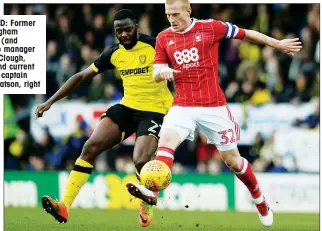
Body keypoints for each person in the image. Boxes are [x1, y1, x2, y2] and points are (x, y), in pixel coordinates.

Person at [127, 0, 302, 228]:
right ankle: (151, 196)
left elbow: (245, 33)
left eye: (176, 14)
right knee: (166, 143)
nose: (172, 19)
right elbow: (157, 70)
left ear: (189, 11)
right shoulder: (163, 38)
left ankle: (260, 201)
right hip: (183, 105)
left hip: (213, 106)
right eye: (168, 15)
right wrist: (164, 73)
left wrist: (276, 43)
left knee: (233, 162)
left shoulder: (211, 28)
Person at [35, 9, 173, 227]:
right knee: (90, 146)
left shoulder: (155, 45)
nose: (124, 34)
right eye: (119, 31)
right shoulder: (114, 53)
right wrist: (50, 101)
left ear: (136, 26)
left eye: (128, 29)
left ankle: (147, 204)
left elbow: (182, 66)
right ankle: (64, 206)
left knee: (140, 160)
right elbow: (81, 77)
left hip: (155, 110)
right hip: (128, 107)